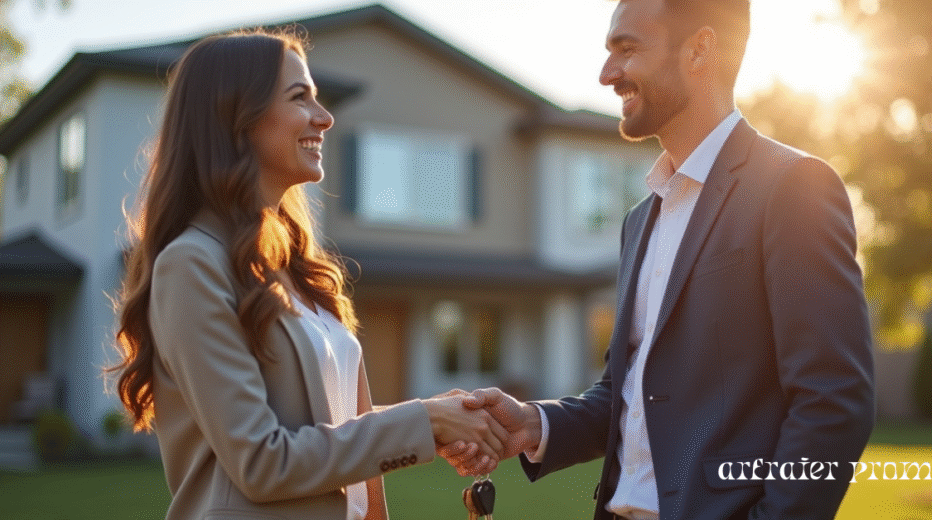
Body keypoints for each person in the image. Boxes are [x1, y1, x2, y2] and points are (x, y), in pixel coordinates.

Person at [443, 0, 876, 518]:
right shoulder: (640, 220)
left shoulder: (792, 187)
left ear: (701, 51)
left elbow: (833, 400)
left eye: (626, 50)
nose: (607, 74)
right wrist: (534, 424)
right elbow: (629, 394)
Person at [109, 30, 503, 520]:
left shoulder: (297, 271)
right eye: (300, 97)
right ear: (237, 119)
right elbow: (262, 461)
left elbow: (329, 428)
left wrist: (439, 419)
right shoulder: (191, 265)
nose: (326, 117)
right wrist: (423, 421)